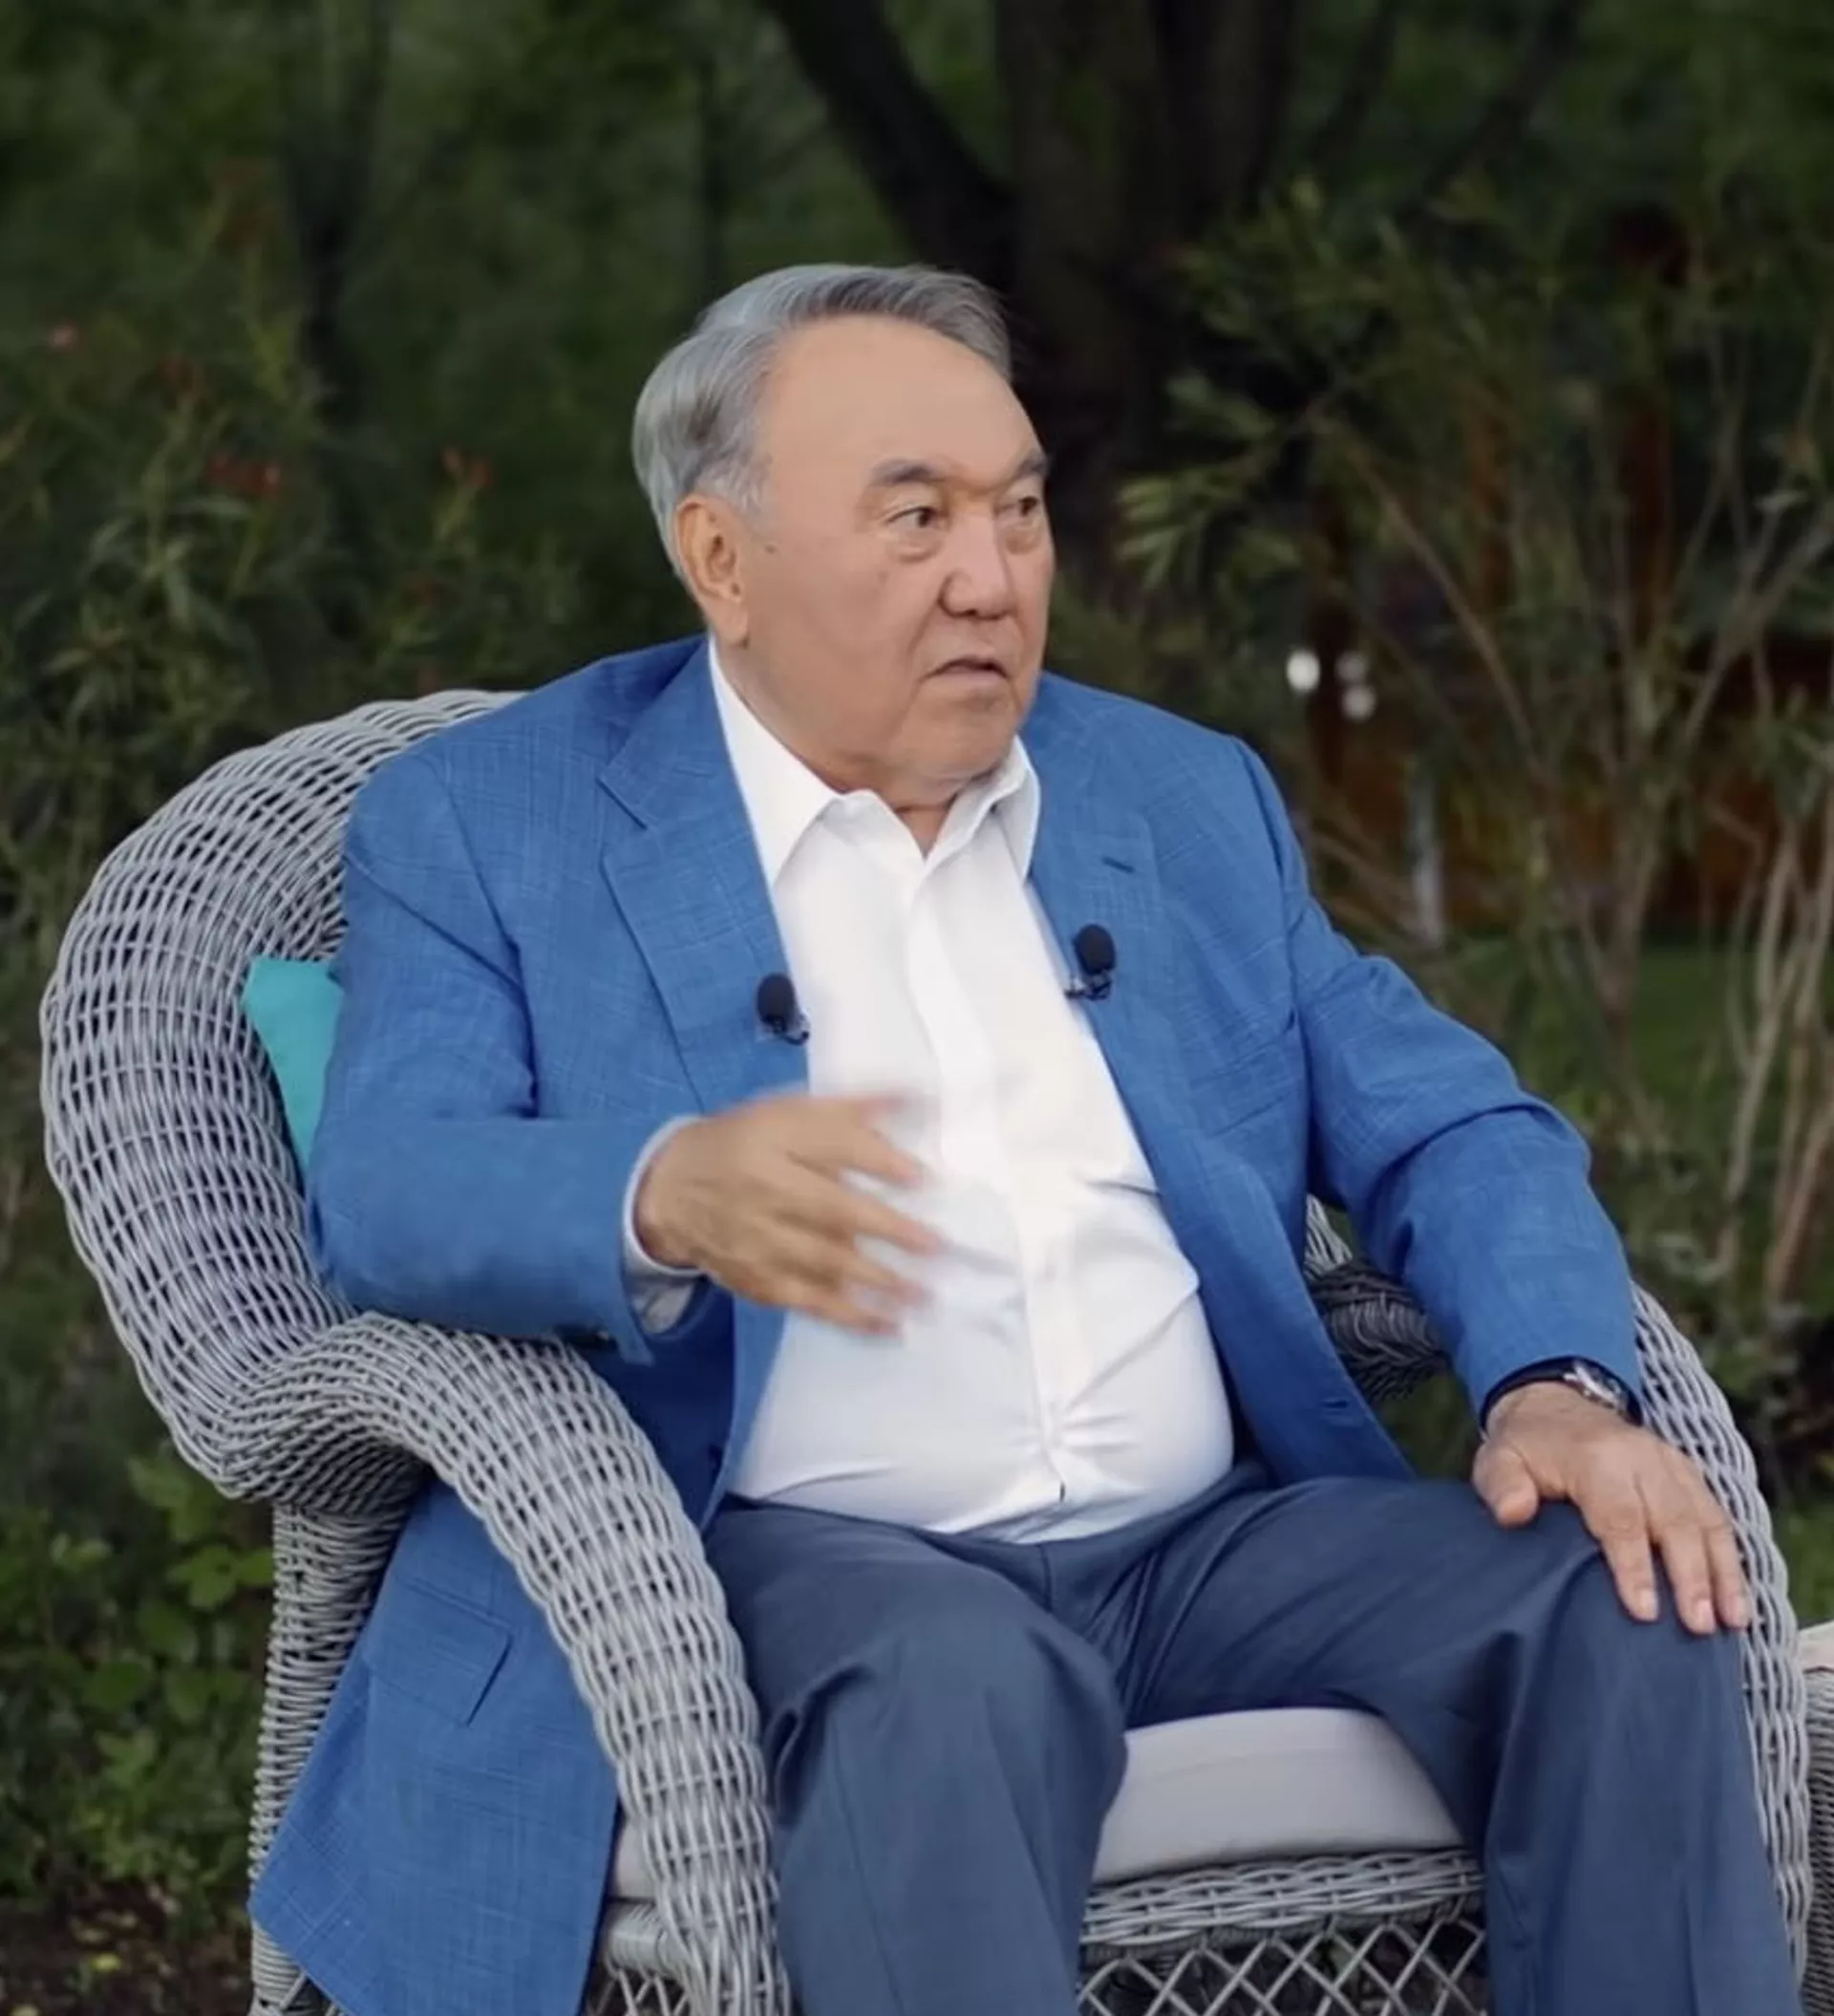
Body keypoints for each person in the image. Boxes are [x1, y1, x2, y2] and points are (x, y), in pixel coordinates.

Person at [251, 264, 1800, 2016]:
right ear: (722, 560)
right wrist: (657, 1192)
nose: (990, 579)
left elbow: (1451, 1118)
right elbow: (388, 1182)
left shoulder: (1175, 795)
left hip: (1207, 1547)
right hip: (790, 1553)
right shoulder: (491, 821)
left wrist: (1555, 1383)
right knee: (950, 1674)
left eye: (1020, 511)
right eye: (916, 518)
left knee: (1621, 1586)